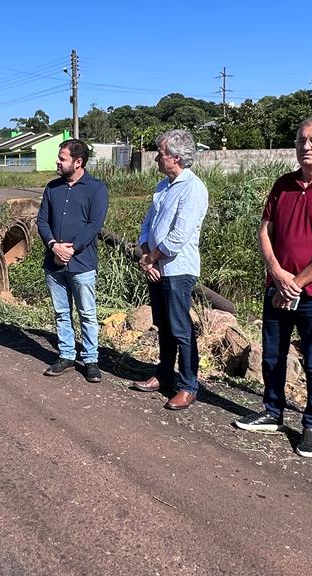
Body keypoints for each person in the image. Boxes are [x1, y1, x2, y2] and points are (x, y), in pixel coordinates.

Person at [234, 116, 312, 458]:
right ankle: (272, 411)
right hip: (277, 287)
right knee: (273, 354)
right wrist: (277, 273)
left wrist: (297, 282)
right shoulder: (283, 184)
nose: (306, 146)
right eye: (301, 140)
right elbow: (264, 231)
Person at [130, 129, 209, 410]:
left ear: (176, 157)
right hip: (156, 266)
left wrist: (152, 258)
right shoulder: (163, 186)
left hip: (177, 269)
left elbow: (179, 235)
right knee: (163, 324)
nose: (155, 159)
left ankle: (188, 385)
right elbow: (147, 225)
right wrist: (145, 254)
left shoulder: (193, 188)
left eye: (160, 154)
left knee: (180, 327)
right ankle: (164, 374)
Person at [36, 139, 109, 383]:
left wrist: (72, 248)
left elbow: (94, 225)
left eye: (62, 158)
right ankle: (66, 355)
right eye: (59, 157)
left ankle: (90, 360)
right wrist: (54, 246)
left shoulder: (96, 189)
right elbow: (42, 222)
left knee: (87, 313)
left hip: (82, 263)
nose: (57, 161)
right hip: (54, 262)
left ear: (78, 162)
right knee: (61, 312)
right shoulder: (52, 188)